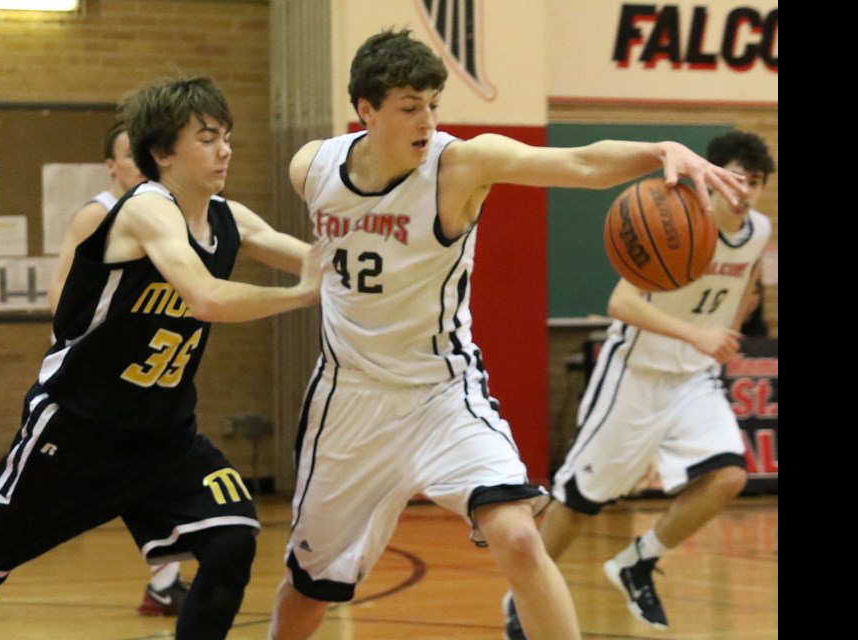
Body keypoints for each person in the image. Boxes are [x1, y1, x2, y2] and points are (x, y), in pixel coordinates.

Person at [266, 29, 748, 640]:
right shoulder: (310, 167)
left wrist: (658, 150)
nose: (427, 121)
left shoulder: (458, 164)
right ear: (366, 111)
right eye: (410, 107)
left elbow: (580, 163)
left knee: (519, 536)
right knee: (311, 586)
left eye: (433, 104)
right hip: (349, 400)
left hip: (443, 393)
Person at [0, 76, 322, 640]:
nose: (226, 149)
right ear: (162, 153)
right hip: (78, 428)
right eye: (207, 138)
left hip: (163, 435)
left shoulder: (229, 218)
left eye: (227, 137)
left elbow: (318, 262)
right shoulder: (146, 212)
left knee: (232, 539)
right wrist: (304, 294)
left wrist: (379, 262)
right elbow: (206, 298)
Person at [502, 130, 775, 635]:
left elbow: (745, 281)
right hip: (635, 372)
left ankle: (638, 561)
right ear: (713, 178)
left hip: (694, 377)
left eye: (755, 182)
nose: (745, 191)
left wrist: (728, 327)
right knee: (581, 500)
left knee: (729, 475)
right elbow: (621, 305)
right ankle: (522, 598)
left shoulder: (758, 230)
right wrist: (699, 333)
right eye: (736, 179)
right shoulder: (680, 220)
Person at [47, 121, 191, 617]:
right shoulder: (99, 214)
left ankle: (167, 580)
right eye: (130, 155)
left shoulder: (169, 215)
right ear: (111, 165)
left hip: (138, 383)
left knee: (149, 474)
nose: (141, 163)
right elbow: (59, 297)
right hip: (82, 383)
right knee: (37, 487)